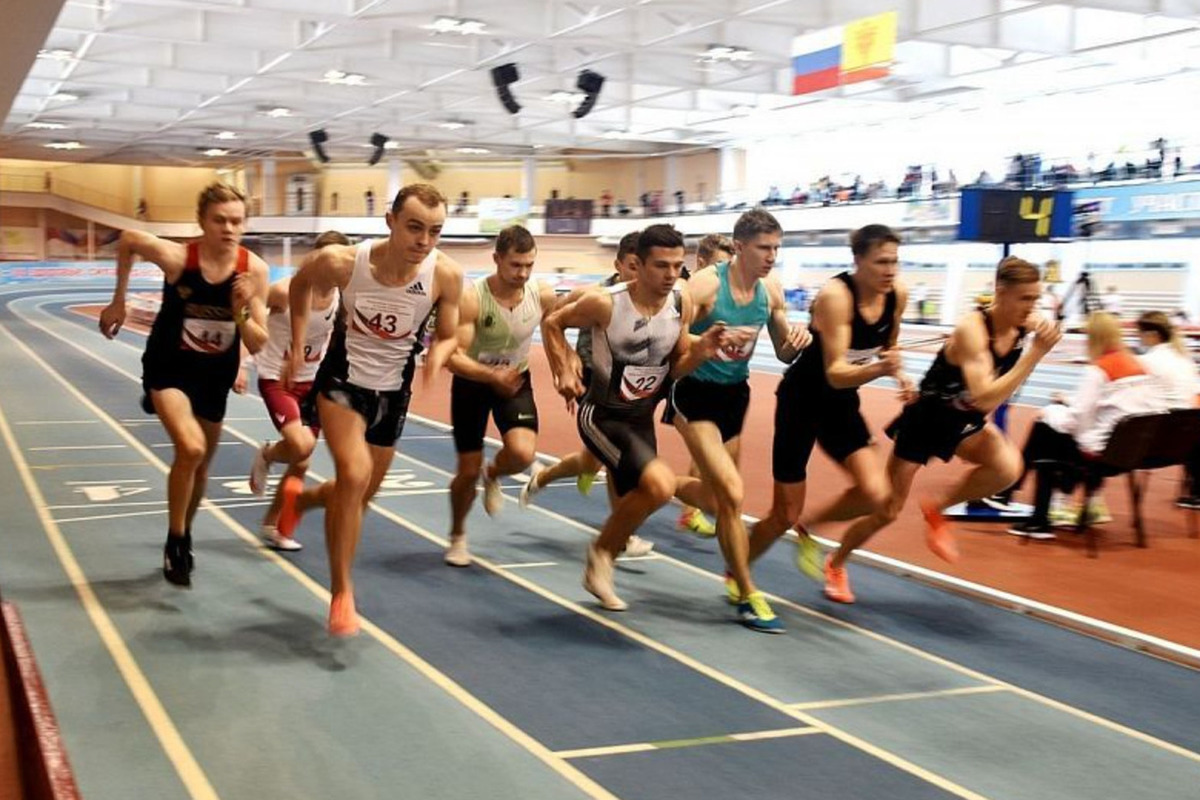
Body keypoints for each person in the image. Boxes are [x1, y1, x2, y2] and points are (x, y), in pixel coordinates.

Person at [276, 184, 463, 636]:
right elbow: (300, 285)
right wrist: (298, 343)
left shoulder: (445, 274)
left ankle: (302, 499)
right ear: (391, 221)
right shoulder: (343, 262)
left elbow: (454, 332)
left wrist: (440, 352)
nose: (424, 240)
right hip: (343, 384)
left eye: (435, 231)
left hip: (393, 394)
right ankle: (342, 593)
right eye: (414, 227)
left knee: (358, 496)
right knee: (355, 476)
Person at [822, 258, 1061, 599]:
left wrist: (1040, 333)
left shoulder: (1026, 324)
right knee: (887, 510)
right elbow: (984, 398)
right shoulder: (973, 330)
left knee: (1008, 468)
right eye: (1024, 299)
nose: (1031, 307)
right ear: (1000, 292)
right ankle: (836, 561)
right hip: (927, 420)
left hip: (963, 422)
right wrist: (1035, 354)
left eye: (1035, 299)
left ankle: (938, 508)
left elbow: (987, 398)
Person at [542, 224, 724, 611]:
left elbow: (675, 368)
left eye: (677, 265)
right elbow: (552, 323)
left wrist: (702, 351)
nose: (671, 274)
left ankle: (604, 554)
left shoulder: (681, 303)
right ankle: (600, 556)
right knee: (659, 485)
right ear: (637, 266)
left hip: (640, 417)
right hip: (602, 414)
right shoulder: (605, 303)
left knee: (640, 498)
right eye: (661, 265)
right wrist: (564, 366)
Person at [99, 183, 270, 586]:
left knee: (201, 465)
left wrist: (241, 310)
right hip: (169, 367)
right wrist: (118, 300)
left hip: (214, 375)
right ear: (202, 222)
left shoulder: (253, 271)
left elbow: (259, 341)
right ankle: (175, 541)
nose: (229, 228)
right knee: (190, 448)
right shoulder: (179, 257)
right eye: (219, 220)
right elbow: (129, 240)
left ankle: (185, 531)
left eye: (237, 221)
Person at [746, 224, 910, 596]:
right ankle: (736, 570)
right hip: (801, 402)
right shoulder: (836, 296)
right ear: (858, 261)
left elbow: (889, 346)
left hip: (840, 405)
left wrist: (899, 375)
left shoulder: (896, 294)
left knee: (876, 494)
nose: (890, 270)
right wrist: (879, 369)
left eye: (895, 262)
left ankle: (811, 526)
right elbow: (836, 373)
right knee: (781, 515)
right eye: (881, 262)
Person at [669, 209, 811, 632]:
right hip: (693, 393)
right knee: (732, 494)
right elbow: (671, 342)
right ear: (740, 246)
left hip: (734, 397)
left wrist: (798, 342)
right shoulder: (707, 286)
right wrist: (705, 340)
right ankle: (748, 593)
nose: (772, 256)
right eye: (765, 248)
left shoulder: (771, 290)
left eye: (777, 249)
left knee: (717, 499)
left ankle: (652, 483)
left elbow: (784, 351)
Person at [519, 232, 658, 558]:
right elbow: (552, 320)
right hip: (592, 383)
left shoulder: (652, 298)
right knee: (616, 461)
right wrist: (565, 365)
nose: (639, 275)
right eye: (633, 267)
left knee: (591, 460)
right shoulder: (596, 295)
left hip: (630, 391)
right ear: (618, 265)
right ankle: (619, 535)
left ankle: (544, 475)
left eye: (644, 267)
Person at [443, 226, 558, 566]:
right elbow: (454, 357)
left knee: (523, 454)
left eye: (529, 266)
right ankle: (458, 534)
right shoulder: (473, 297)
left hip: (516, 380)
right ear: (496, 260)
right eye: (515, 265)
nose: (523, 273)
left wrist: (564, 368)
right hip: (473, 384)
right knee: (466, 471)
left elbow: (554, 333)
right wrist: (492, 375)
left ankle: (492, 474)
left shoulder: (543, 295)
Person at [1007, 312, 1166, 538]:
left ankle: (1036, 515)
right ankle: (1016, 489)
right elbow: (1111, 406)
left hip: (1100, 454)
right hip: (1130, 454)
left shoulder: (1099, 369)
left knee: (1043, 432)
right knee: (1049, 429)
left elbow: (1076, 420)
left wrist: (1048, 413)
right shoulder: (1139, 367)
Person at [248, 230, 350, 551]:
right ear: (315, 261)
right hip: (277, 378)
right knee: (300, 446)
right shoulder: (283, 291)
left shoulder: (342, 297)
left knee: (302, 460)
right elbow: (249, 316)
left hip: (314, 382)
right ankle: (267, 453)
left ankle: (272, 526)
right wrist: (240, 363)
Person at [675, 232, 734, 537]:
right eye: (719, 266)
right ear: (701, 263)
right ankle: (652, 486)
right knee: (708, 456)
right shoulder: (689, 292)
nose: (725, 274)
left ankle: (688, 510)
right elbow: (675, 336)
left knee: (707, 452)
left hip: (707, 386)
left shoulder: (726, 295)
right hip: (679, 381)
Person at [1135, 311, 1200, 510]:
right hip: (1186, 443)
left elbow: (1135, 400)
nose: (1138, 337)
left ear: (1152, 334)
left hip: (1154, 445)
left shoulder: (1147, 362)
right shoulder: (1186, 361)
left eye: (1140, 333)